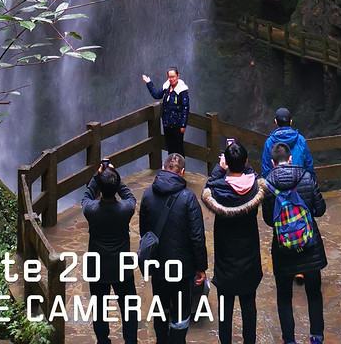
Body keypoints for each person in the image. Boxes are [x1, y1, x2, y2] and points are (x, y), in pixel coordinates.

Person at [202, 139, 267, 344]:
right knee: (249, 306)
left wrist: (220, 168)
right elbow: (256, 177)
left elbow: (209, 186)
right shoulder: (255, 189)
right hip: (248, 258)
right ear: (246, 161)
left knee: (225, 308)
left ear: (227, 164)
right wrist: (243, 163)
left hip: (225, 260)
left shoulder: (218, 191)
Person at [139, 152, 207, 344]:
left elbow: (145, 233)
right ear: (182, 172)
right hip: (181, 268)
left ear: (163, 167)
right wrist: (200, 267)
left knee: (160, 306)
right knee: (180, 312)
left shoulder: (147, 194)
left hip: (157, 265)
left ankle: (162, 340)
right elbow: (197, 237)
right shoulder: (188, 198)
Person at [262, 141, 327, 344]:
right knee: (314, 293)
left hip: (283, 248)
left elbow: (267, 219)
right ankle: (316, 337)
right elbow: (321, 209)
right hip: (310, 246)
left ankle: (289, 340)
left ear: (273, 162)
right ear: (290, 158)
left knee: (284, 297)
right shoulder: (306, 177)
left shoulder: (267, 185)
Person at [82, 162, 140, 344]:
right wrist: (115, 176)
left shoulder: (91, 210)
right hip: (121, 267)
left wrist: (96, 178)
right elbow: (129, 196)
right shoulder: (126, 209)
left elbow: (86, 196)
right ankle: (130, 340)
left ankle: (103, 340)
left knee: (99, 308)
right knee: (129, 308)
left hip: (97, 267)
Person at [143, 67, 190, 157]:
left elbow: (185, 108)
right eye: (169, 77)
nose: (171, 79)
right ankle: (171, 169)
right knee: (170, 148)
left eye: (173, 77)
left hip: (177, 123)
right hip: (167, 123)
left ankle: (180, 169)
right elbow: (157, 95)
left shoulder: (182, 90)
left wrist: (183, 125)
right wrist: (149, 83)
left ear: (178, 76)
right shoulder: (166, 86)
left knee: (178, 148)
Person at [261, 107, 315, 178]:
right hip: (298, 183)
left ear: (276, 122)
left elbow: (266, 169)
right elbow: (309, 165)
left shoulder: (269, 142)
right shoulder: (300, 140)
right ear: (291, 122)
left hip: (277, 186)